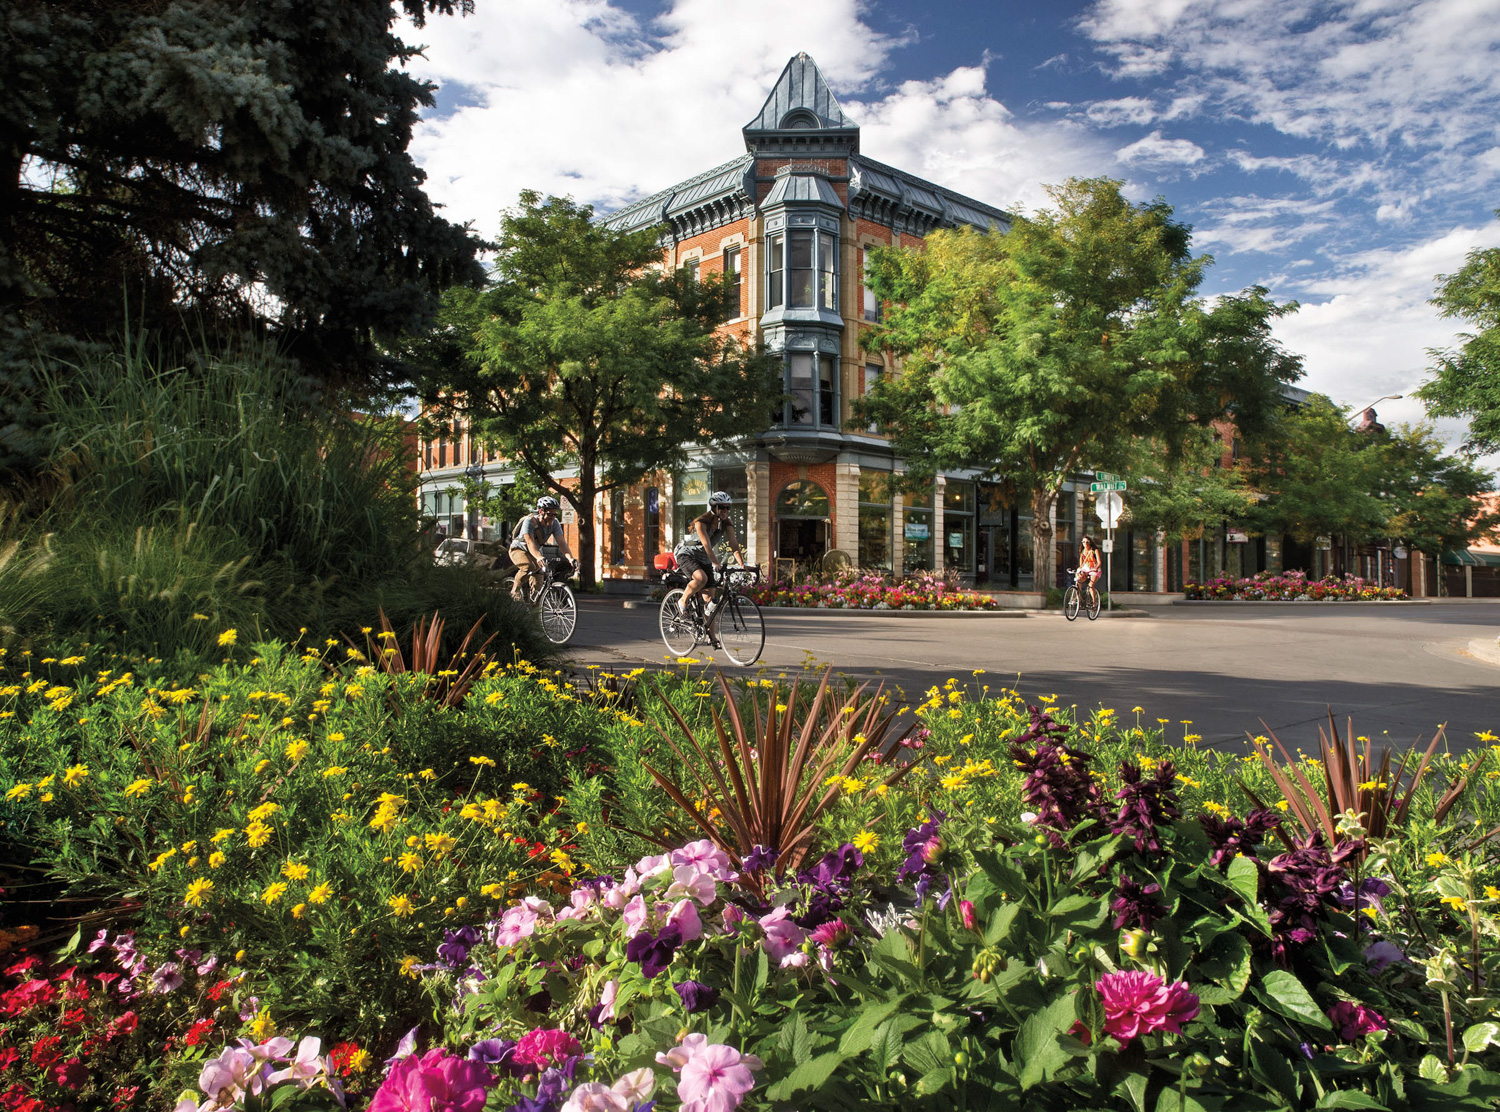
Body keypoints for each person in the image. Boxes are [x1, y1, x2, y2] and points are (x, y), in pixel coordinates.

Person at [675, 491, 745, 624]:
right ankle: (683, 601)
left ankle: (712, 639)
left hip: (705, 559)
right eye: (722, 507)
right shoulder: (701, 523)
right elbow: (707, 545)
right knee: (701, 578)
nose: (725, 510)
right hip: (687, 555)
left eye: (727, 507)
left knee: (710, 605)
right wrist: (716, 563)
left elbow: (734, 544)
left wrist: (742, 565)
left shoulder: (726, 524)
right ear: (714, 507)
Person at [510, 496, 577, 599]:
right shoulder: (529, 522)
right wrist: (538, 557)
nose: (553, 517)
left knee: (539, 579)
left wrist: (570, 558)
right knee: (529, 566)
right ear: (541, 511)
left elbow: (561, 543)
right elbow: (529, 542)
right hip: (519, 549)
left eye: (555, 514)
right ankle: (516, 589)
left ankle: (535, 606)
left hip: (536, 552)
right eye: (550, 514)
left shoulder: (555, 523)